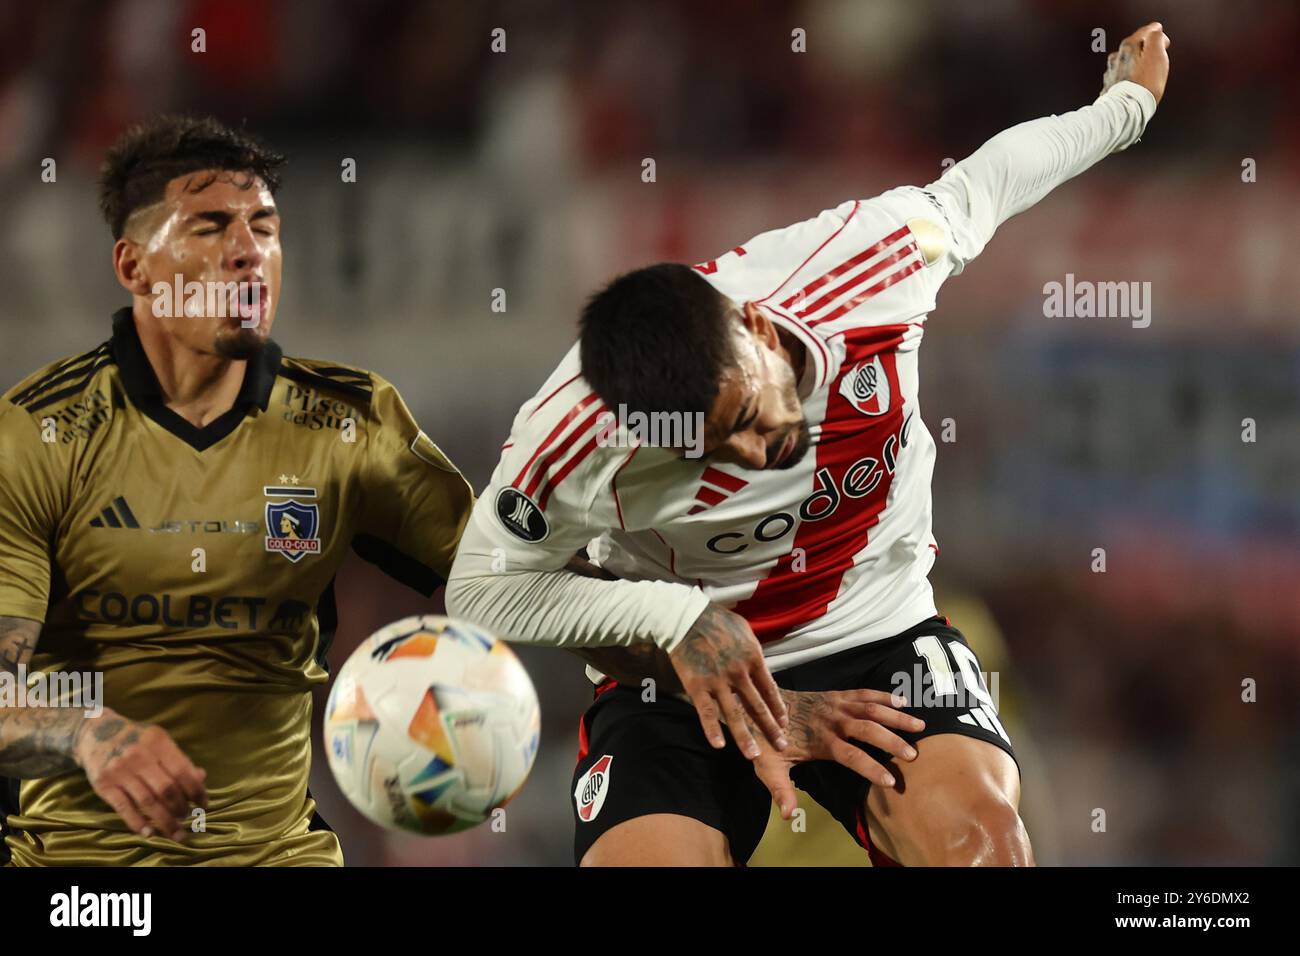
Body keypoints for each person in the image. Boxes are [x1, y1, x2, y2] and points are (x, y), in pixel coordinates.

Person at [447, 23, 1171, 866]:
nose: (755, 454)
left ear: (756, 326)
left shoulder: (868, 265)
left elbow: (992, 181)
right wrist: (676, 618)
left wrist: (1125, 108)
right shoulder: (575, 432)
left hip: (875, 636)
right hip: (683, 678)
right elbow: (480, 587)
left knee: (979, 845)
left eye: (750, 415)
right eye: (712, 450)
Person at [0, 115, 475, 865]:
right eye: (210, 226)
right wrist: (88, 732)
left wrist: (670, 621)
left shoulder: (349, 425)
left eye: (264, 226)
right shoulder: (40, 435)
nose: (249, 251)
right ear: (135, 267)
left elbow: (519, 573)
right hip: (83, 876)